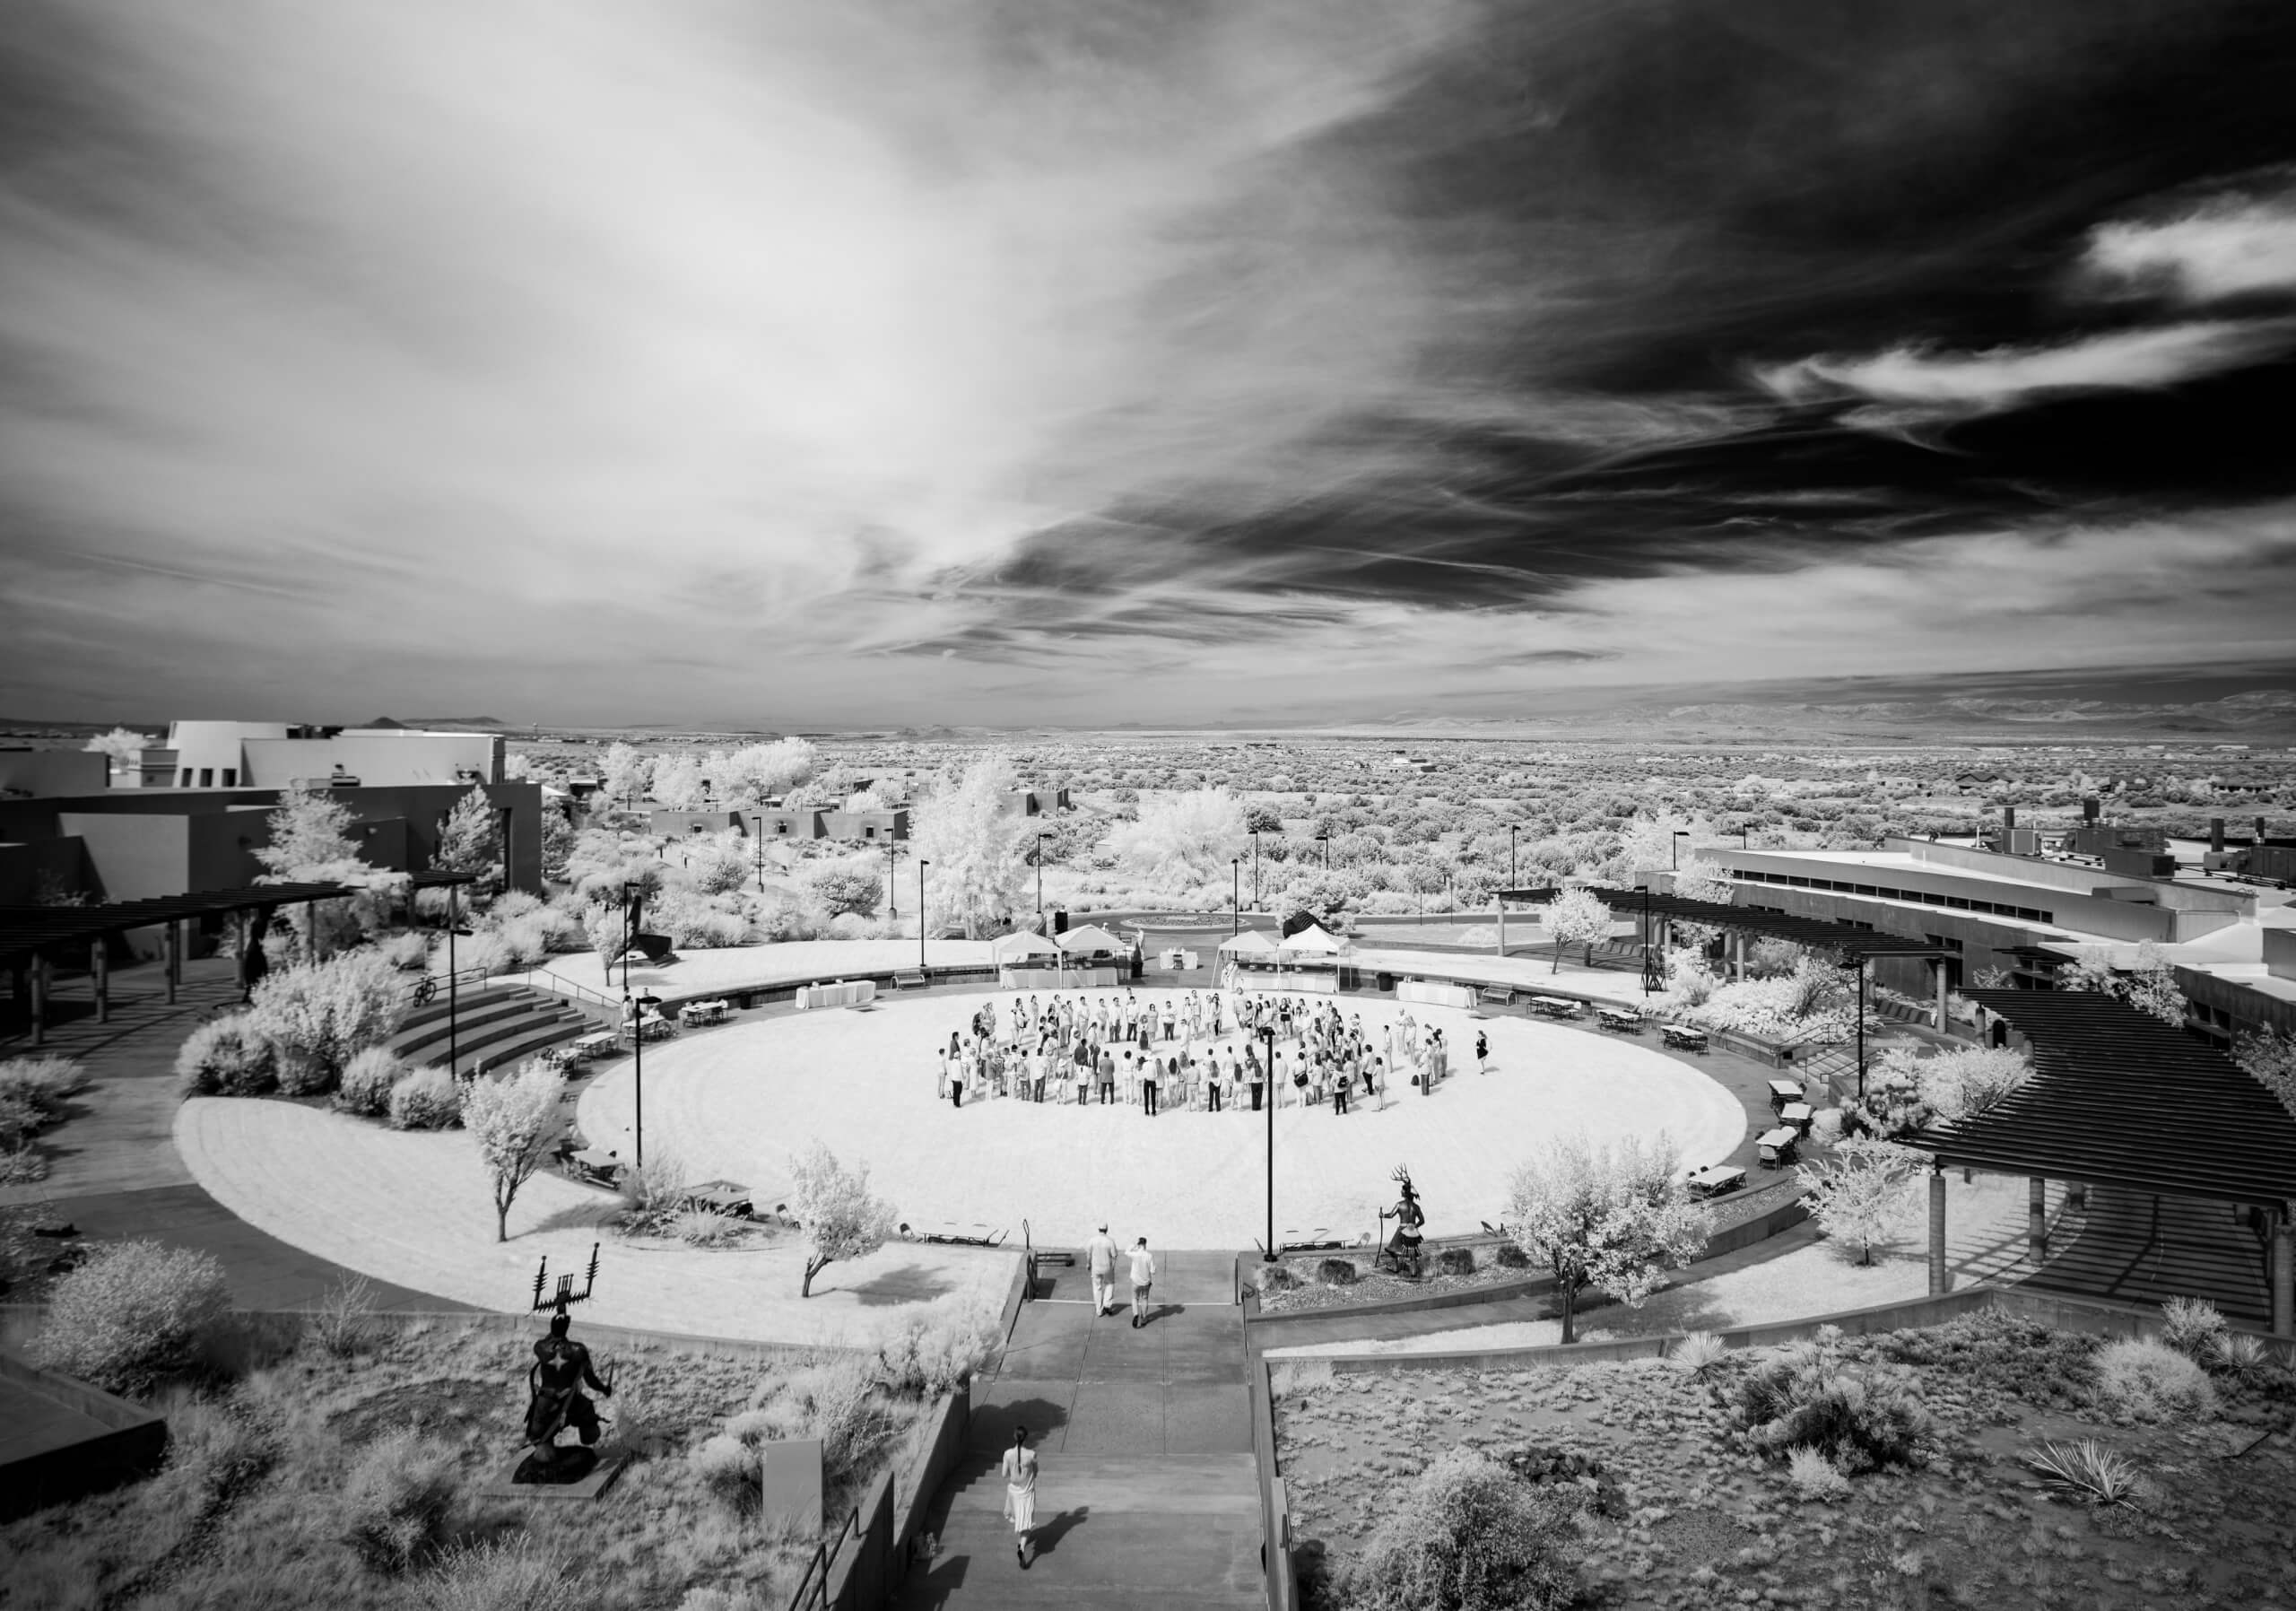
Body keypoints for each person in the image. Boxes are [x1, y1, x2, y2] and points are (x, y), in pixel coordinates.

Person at [1002, 1426, 1039, 1568]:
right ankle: (1021, 1547)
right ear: (1026, 1438)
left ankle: (1021, 1543)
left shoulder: (1007, 1454)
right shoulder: (1032, 1454)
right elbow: (1036, 1472)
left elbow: (1004, 1474)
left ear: (1014, 1436)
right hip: (1027, 1493)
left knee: (1020, 1520)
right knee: (1027, 1525)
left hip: (1013, 1492)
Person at [1086, 1223, 1118, 1316]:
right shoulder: (1110, 1241)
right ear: (1107, 1230)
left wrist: (1088, 1264)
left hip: (1095, 1268)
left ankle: (1099, 1310)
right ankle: (1107, 1304)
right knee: (1110, 1284)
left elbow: (1088, 1254)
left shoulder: (1092, 1240)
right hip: (1107, 1267)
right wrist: (1113, 1267)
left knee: (1097, 1288)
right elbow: (1114, 1256)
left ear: (1098, 1229)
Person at [1128, 1235, 1156, 1328]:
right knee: (1144, 1299)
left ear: (1139, 1244)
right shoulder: (1149, 1256)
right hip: (1146, 1283)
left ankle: (1136, 1314)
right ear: (1145, 1244)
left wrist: (1134, 1245)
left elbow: (1126, 1252)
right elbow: (1153, 1271)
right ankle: (1144, 1319)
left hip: (1135, 1282)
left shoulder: (1135, 1254)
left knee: (1134, 1298)